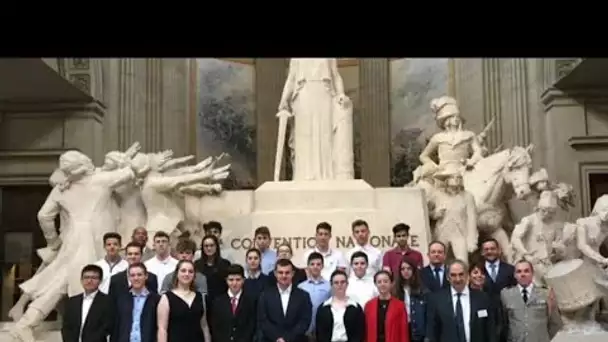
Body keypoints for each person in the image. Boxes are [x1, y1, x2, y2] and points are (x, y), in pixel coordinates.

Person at [278, 58, 351, 181]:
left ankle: (326, 174)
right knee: (304, 135)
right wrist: (283, 100)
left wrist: (341, 94)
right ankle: (303, 174)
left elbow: (336, 75)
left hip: (324, 93)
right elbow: (291, 79)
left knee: (324, 135)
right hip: (303, 94)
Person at [426, 260, 496, 342]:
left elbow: (490, 330)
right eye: (453, 275)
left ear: (467, 275)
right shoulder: (436, 300)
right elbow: (432, 332)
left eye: (461, 274)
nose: (458, 279)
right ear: (447, 277)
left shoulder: (482, 298)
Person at [500, 260, 560, 342]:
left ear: (532, 273)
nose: (523, 274)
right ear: (514, 275)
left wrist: (543, 338)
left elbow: (555, 322)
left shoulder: (546, 293)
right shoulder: (506, 294)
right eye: (519, 271)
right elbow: (504, 322)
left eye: (526, 271)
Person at [258, 259, 313, 342]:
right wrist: (277, 338)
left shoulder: (303, 296)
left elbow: (304, 321)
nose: (284, 276)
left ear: (293, 273)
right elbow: (262, 320)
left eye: (287, 272)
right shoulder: (265, 295)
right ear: (275, 274)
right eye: (280, 272)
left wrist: (287, 338)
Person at [157, 260, 211, 342]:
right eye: (183, 271)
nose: (187, 274)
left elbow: (204, 325)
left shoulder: (200, 297)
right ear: (177, 273)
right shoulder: (166, 298)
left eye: (190, 271)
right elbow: (162, 329)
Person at [62, 264, 113, 342]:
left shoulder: (108, 301)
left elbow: (106, 327)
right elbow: (66, 327)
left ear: (100, 280)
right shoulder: (72, 301)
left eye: (94, 278)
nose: (89, 281)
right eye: (86, 277)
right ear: (81, 280)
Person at [112, 262, 161, 342]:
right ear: (129, 278)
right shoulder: (121, 299)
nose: (136, 278)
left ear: (146, 276)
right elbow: (116, 327)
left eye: (139, 275)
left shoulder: (157, 300)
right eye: (132, 275)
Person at [211, 264, 258, 342]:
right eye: (231, 280)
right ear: (226, 280)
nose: (234, 283)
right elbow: (215, 327)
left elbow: (252, 325)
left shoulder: (251, 301)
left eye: (238, 279)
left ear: (243, 280)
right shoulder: (218, 302)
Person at [315, 270, 365, 342]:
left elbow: (359, 333)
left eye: (342, 282)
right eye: (336, 283)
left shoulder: (355, 307)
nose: (339, 285)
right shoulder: (323, 308)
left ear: (347, 284)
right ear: (331, 285)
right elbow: (320, 334)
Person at [364, 270, 409, 342]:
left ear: (391, 283)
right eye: (379, 282)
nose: (382, 284)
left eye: (385, 281)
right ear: (375, 284)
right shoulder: (369, 305)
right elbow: (366, 331)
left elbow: (403, 332)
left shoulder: (400, 306)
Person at [298, 252, 332, 337]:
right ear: (308, 266)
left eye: (318, 264)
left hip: (323, 327)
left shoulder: (329, 286)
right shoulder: (301, 286)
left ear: (322, 266)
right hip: (305, 328)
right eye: (312, 264)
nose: (315, 267)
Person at [394, 257, 427, 342]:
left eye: (409, 268)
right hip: (401, 330)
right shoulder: (395, 290)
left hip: (418, 332)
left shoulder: (423, 290)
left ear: (414, 270)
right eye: (403, 269)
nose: (406, 271)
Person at [194, 235, 231, 302]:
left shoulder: (225, 264)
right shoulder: (197, 265)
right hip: (202, 302)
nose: (209, 248)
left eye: (211, 245)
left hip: (221, 302)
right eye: (206, 246)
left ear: (216, 246)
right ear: (202, 248)